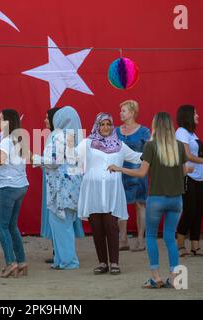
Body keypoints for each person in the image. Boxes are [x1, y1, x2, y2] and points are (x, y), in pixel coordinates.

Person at [108, 112, 191, 288]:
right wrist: (188, 169)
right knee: (170, 238)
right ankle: (177, 279)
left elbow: (141, 173)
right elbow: (183, 171)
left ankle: (156, 278)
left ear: (155, 126)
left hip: (156, 199)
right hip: (176, 201)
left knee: (151, 237)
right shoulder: (179, 147)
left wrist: (119, 169)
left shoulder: (151, 146)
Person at [76, 113, 142, 275]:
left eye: (108, 124)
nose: (105, 128)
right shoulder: (87, 144)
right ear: (97, 126)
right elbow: (71, 156)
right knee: (97, 228)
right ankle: (102, 263)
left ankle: (114, 263)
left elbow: (138, 158)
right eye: (102, 124)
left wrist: (158, 150)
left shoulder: (120, 145)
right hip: (93, 193)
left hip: (112, 194)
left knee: (112, 227)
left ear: (112, 126)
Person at [32, 106, 83, 270]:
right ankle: (61, 260)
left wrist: (34, 157)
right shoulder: (74, 137)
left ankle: (69, 262)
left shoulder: (60, 136)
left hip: (61, 191)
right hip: (68, 190)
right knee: (61, 226)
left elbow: (53, 160)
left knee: (62, 227)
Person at [175, 105, 203, 257]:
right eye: (195, 113)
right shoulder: (181, 132)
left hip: (199, 177)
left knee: (198, 212)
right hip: (187, 175)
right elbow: (186, 156)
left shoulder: (192, 133)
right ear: (187, 115)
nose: (197, 115)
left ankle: (196, 247)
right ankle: (180, 245)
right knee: (189, 210)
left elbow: (196, 154)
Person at [0, 109, 29, 277]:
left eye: (0, 118)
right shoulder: (18, 139)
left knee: (1, 226)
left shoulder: (6, 141)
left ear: (8, 121)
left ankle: (11, 263)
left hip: (9, 187)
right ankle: (21, 262)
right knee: (12, 225)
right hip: (21, 186)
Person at [115, 100, 150, 251]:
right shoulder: (115, 131)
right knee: (119, 205)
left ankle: (141, 240)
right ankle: (122, 239)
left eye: (124, 110)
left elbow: (149, 151)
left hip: (138, 172)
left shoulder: (144, 131)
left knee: (140, 205)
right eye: (120, 110)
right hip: (119, 171)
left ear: (133, 112)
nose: (120, 113)